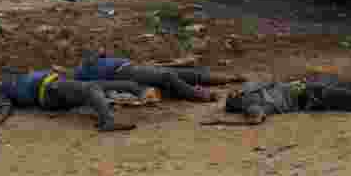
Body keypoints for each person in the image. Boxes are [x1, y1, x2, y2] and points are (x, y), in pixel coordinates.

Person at [0, 68, 158, 133]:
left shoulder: (9, 82)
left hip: (54, 87)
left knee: (104, 85)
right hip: (49, 91)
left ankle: (140, 91)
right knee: (93, 88)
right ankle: (107, 122)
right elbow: (2, 107)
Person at [211, 74, 351, 125]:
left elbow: (264, 80)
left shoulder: (251, 91)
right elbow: (256, 119)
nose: (234, 92)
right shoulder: (250, 104)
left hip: (310, 85)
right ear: (235, 103)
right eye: (233, 96)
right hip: (310, 96)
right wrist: (238, 119)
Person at [75, 51, 245, 102]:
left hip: (130, 67)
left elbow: (100, 54)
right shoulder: (81, 72)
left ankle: (227, 78)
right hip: (124, 73)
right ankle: (202, 96)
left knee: (186, 73)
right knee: (167, 76)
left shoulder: (93, 61)